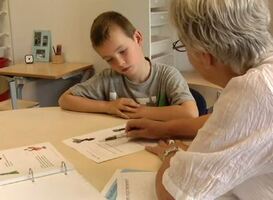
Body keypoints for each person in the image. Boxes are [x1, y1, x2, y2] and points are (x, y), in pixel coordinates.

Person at [126, 0, 273, 199]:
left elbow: (173, 194)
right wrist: (163, 129)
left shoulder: (253, 89)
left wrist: (171, 154)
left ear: (205, 55)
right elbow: (227, 121)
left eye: (183, 45)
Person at [58, 11, 198, 120]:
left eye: (123, 51)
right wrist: (108, 107)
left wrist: (141, 111)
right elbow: (65, 99)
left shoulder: (167, 75)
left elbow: (190, 113)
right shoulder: (108, 78)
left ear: (137, 38)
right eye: (109, 59)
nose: (119, 63)